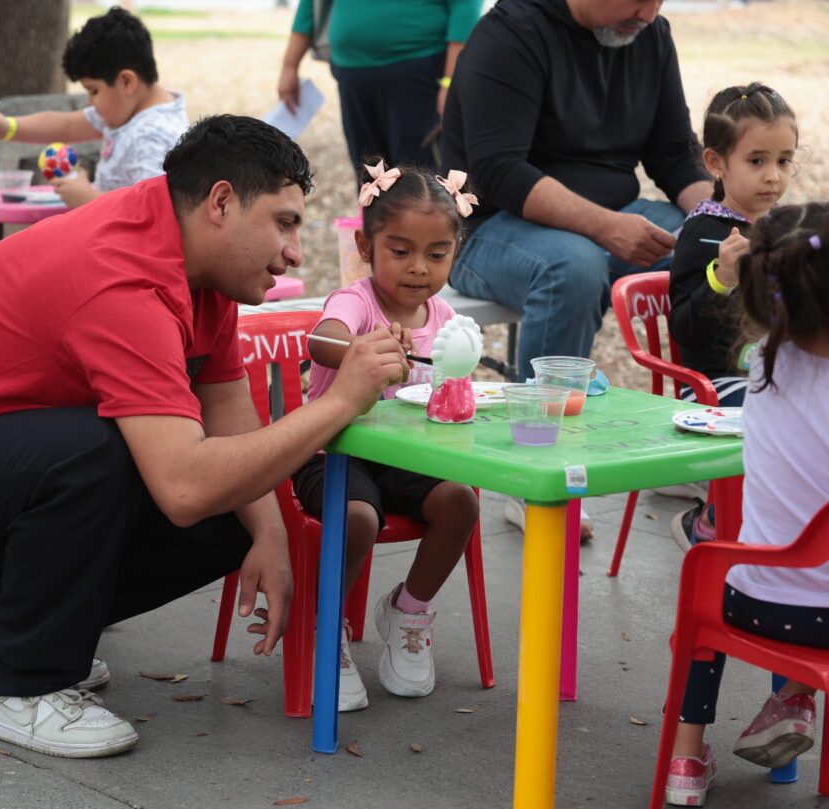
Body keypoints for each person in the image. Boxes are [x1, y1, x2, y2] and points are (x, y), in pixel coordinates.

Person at [0, 115, 411, 759]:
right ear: (220, 203)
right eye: (284, 223)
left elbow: (225, 406)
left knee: (240, 495)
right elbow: (182, 488)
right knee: (107, 453)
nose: (295, 252)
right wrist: (341, 402)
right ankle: (20, 685)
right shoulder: (124, 276)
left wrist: (269, 534)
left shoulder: (198, 261)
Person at [440, 0, 712, 384]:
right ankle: (547, 413)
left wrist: (724, 219)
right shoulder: (510, 34)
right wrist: (605, 227)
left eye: (658, 1)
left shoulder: (652, 36)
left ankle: (717, 402)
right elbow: (499, 172)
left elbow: (674, 152)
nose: (649, 15)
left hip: (610, 216)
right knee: (573, 268)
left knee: (712, 244)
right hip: (488, 228)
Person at [293, 160, 481, 711]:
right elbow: (321, 341)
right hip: (331, 452)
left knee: (460, 502)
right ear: (366, 246)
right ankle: (324, 626)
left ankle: (408, 610)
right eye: (400, 251)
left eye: (437, 254)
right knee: (358, 517)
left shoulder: (442, 316)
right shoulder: (355, 302)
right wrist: (361, 349)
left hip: (404, 457)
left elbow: (451, 390)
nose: (418, 267)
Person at [663, 202, 829, 806]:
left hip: (751, 603)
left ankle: (685, 761)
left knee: (704, 585)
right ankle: (792, 697)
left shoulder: (757, 369)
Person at [668, 83, 798, 551]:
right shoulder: (706, 231)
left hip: (774, 373)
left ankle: (795, 523)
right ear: (716, 163)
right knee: (776, 413)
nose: (773, 177)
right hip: (714, 382)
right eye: (757, 160)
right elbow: (684, 329)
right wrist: (722, 278)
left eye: (784, 160)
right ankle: (708, 522)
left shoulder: (785, 230)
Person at [0, 6, 188, 208]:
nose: (89, 102)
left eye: (94, 91)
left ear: (127, 82)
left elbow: (155, 213)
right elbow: (67, 125)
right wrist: (7, 127)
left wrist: (88, 199)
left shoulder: (151, 136)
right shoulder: (130, 113)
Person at [278, 0, 481, 179]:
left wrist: (451, 81)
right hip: (351, 73)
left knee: (419, 175)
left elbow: (465, 6)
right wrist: (290, 65)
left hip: (419, 71)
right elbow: (310, 5)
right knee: (368, 172)